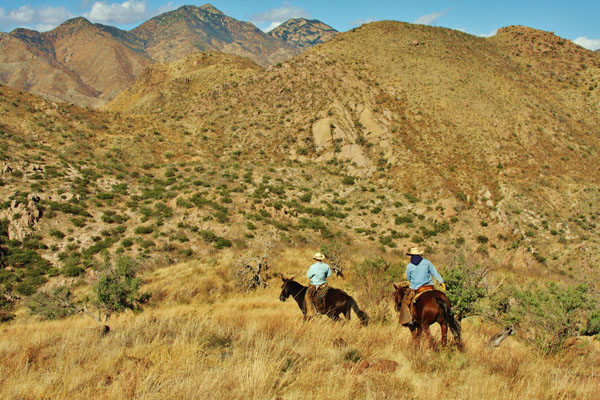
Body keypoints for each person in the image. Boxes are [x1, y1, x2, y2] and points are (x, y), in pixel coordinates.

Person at [398, 247, 446, 326]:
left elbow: (408, 278)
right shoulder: (427, 262)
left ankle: (409, 320)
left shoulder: (409, 266)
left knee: (406, 301)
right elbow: (434, 273)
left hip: (416, 288)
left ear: (411, 256)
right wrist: (441, 282)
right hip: (429, 286)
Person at [305, 252, 332, 317]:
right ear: (321, 259)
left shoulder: (312, 267)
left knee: (307, 296)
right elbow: (329, 275)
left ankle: (312, 312)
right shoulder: (326, 266)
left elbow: (308, 276)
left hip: (314, 285)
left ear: (315, 259)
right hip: (324, 285)